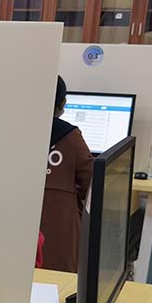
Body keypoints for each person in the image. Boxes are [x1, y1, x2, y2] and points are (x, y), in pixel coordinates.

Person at [41, 76, 94, 273]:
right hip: (57, 242)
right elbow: (91, 182)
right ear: (62, 103)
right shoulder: (70, 137)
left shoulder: (10, 131)